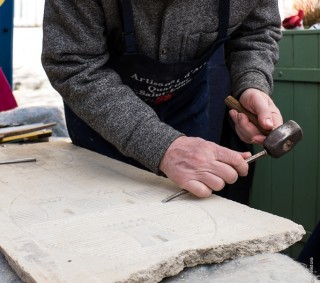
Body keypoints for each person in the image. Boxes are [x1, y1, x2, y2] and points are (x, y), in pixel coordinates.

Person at [41, 0, 283, 202]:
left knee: (185, 216)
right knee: (102, 214)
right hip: (99, 113)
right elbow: (73, 65)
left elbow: (256, 31)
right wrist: (163, 146)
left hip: (184, 101)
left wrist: (252, 84)